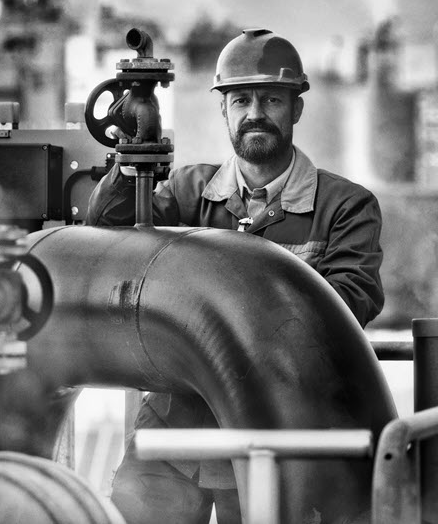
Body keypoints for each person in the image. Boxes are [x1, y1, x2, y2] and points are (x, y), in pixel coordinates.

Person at [86, 28, 384, 524]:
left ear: (296, 109)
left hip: (281, 437)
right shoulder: (187, 193)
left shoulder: (345, 208)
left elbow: (348, 306)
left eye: (271, 99)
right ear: (223, 110)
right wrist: (133, 155)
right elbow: (108, 239)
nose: (255, 113)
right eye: (241, 99)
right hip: (174, 429)